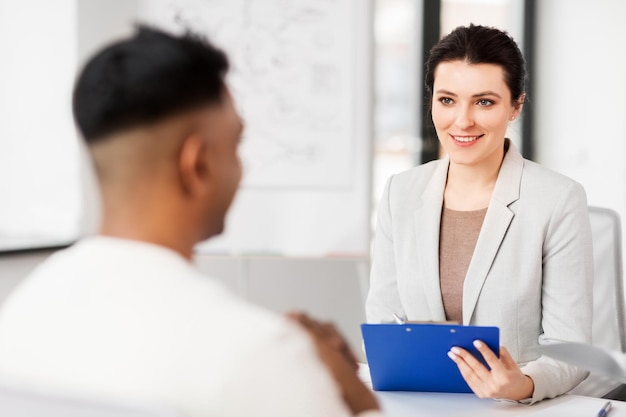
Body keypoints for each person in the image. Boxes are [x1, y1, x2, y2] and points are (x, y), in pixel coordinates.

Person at [0, 26, 382, 417]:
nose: (240, 168)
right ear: (197, 165)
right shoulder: (259, 352)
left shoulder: (21, 313)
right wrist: (348, 387)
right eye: (235, 145)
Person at [366, 24, 593, 404]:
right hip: (420, 403)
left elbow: (570, 349)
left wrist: (523, 384)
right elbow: (383, 326)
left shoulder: (558, 199)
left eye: (484, 101)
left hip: (514, 407)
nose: (463, 121)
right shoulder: (399, 193)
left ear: (516, 105)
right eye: (447, 100)